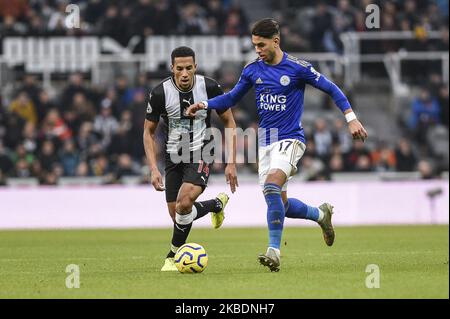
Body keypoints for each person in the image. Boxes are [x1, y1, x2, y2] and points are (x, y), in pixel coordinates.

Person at [186, 19, 368, 272]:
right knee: (279, 204)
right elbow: (231, 97)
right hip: (267, 142)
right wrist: (205, 104)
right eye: (254, 45)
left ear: (276, 41)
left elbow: (332, 88)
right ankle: (321, 215)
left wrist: (351, 118)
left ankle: (274, 251)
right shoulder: (252, 70)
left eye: (261, 45)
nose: (257, 50)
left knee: (272, 185)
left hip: (291, 138)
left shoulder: (297, 68)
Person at [143, 46, 238, 272]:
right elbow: (148, 132)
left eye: (188, 68)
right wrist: (153, 168)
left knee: (185, 203)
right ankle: (216, 204)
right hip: (174, 155)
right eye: (179, 69)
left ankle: (172, 256)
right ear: (172, 69)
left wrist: (231, 162)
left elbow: (230, 123)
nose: (184, 73)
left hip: (202, 150)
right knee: (177, 213)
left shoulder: (210, 87)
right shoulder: (159, 93)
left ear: (195, 67)